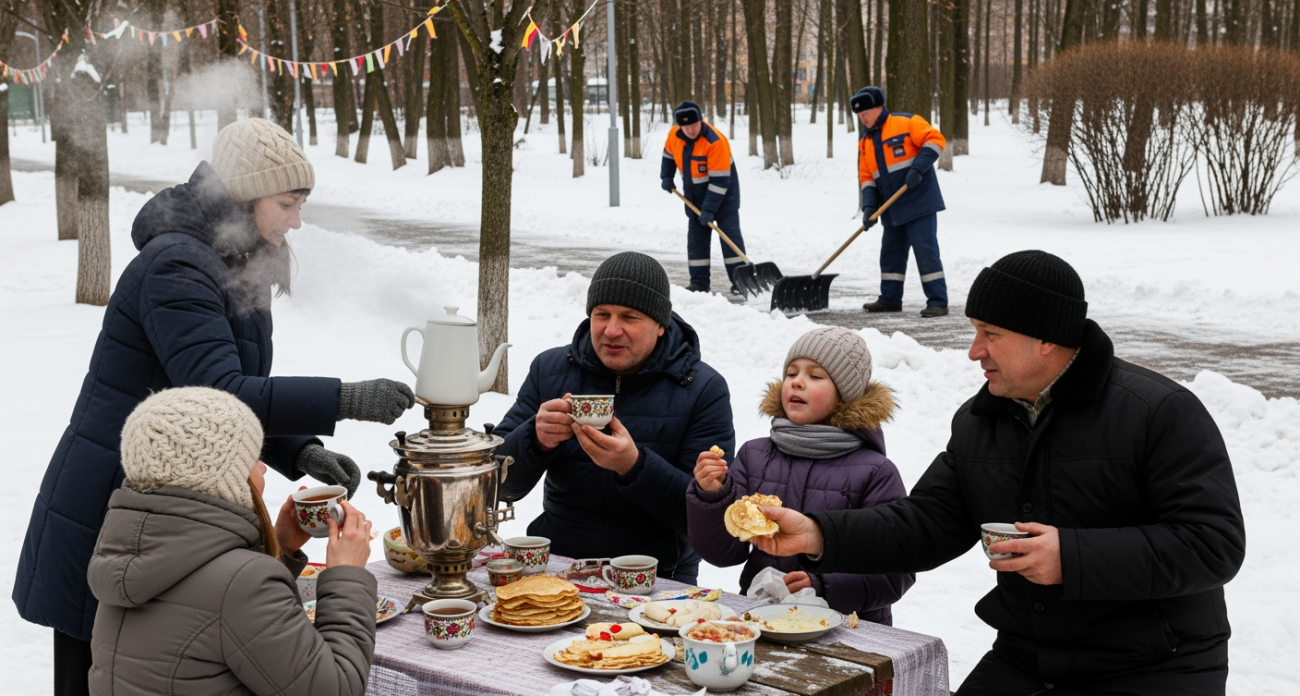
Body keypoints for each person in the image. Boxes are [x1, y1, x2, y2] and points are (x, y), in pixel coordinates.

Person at [13, 118, 414, 696]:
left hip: (163, 503)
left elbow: (225, 405)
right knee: (98, 671)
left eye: (300, 205)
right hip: (115, 505)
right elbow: (219, 390)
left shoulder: (234, 260)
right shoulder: (177, 265)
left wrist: (299, 452)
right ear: (245, 197)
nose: (296, 221)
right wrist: (343, 398)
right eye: (287, 204)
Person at [751, 251, 1246, 695]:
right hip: (1029, 656)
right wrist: (817, 533)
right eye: (975, 332)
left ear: (1046, 338)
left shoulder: (1158, 412)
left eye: (991, 334)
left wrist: (1071, 557)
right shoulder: (981, 421)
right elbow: (925, 524)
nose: (975, 350)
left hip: (1155, 664)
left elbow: (1213, 543)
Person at [88, 387, 378, 696]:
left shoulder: (129, 559)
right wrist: (347, 574)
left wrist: (279, 549)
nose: (263, 468)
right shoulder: (243, 584)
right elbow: (337, 688)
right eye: (253, 458)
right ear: (224, 477)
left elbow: (207, 615)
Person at [494, 252, 735, 583]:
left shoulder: (702, 389)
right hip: (557, 565)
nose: (611, 330)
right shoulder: (550, 371)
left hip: (656, 575)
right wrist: (535, 438)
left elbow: (709, 519)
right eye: (601, 314)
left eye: (629, 317)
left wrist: (634, 466)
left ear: (660, 325)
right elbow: (495, 485)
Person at [685, 327, 914, 624]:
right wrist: (711, 496)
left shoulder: (876, 472)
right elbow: (724, 552)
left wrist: (823, 586)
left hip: (847, 630)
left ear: (845, 396)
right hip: (762, 619)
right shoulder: (754, 456)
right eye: (791, 373)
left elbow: (895, 571)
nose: (797, 382)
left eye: (815, 376)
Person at [851, 86, 950, 318]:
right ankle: (890, 299)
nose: (862, 118)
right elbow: (867, 179)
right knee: (890, 254)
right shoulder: (865, 142)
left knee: (925, 252)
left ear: (878, 108)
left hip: (919, 202)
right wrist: (869, 208)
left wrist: (918, 168)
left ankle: (938, 301)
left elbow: (935, 140)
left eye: (865, 113)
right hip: (892, 209)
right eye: (859, 115)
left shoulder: (906, 122)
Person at [660, 100, 747, 295]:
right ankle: (699, 283)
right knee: (696, 241)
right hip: (694, 198)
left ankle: (740, 282)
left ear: (701, 120)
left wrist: (708, 209)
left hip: (724, 197)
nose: (690, 130)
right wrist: (666, 176)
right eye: (685, 126)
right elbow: (668, 155)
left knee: (730, 238)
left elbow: (720, 182)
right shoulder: (674, 136)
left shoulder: (715, 142)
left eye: (694, 124)